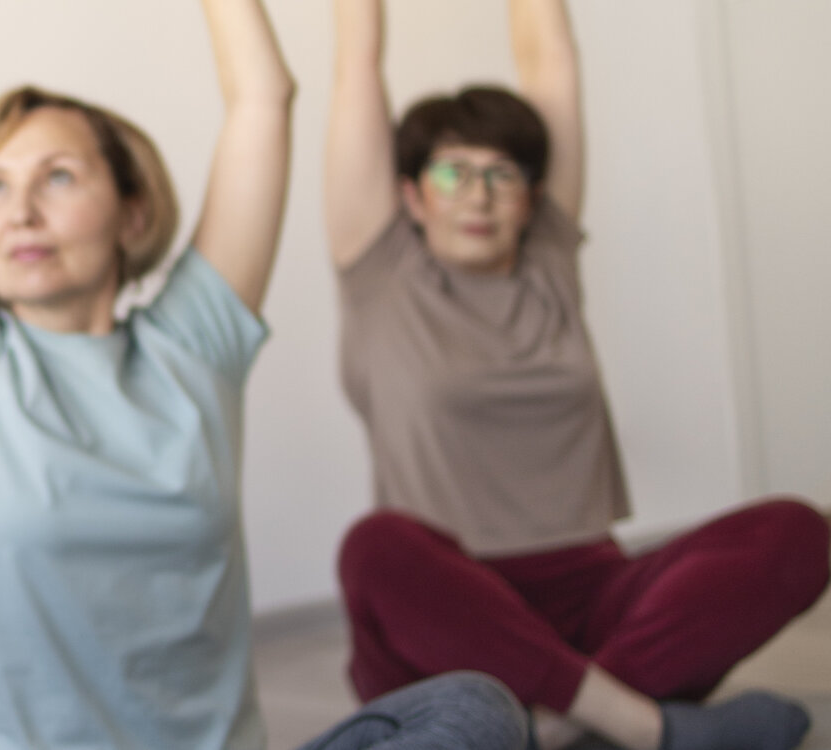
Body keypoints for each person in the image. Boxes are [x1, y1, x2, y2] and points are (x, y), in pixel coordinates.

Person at [0, 1, 527, 748]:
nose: (21, 212)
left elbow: (262, 99)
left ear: (133, 215)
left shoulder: (194, 347)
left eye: (59, 178)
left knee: (473, 711)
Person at [323, 1, 831, 748]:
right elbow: (355, 61)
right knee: (376, 548)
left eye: (503, 174)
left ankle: (555, 728)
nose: (480, 193)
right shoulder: (381, 272)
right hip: (450, 613)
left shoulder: (548, 263)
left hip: (591, 594)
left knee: (797, 533)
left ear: (532, 197)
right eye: (453, 171)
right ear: (410, 194)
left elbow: (550, 56)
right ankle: (638, 726)